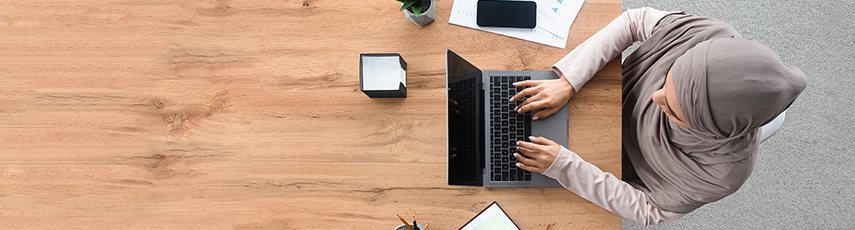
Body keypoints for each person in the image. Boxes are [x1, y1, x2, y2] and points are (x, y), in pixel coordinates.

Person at [508, 7, 807, 226]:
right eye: (667, 80)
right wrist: (569, 80)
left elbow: (649, 210)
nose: (654, 97)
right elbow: (634, 21)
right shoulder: (709, 35)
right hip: (600, 94)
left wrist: (565, 167)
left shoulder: (722, 176)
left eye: (674, 110)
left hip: (613, 163)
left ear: (708, 130)